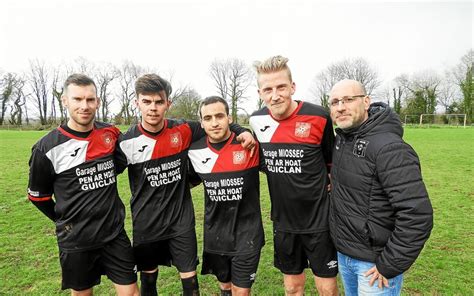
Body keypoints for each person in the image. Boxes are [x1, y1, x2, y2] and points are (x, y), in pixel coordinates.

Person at [116, 74, 255, 296]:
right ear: (137, 102)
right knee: (149, 282)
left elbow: (217, 123)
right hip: (146, 225)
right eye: (147, 101)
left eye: (159, 102)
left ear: (168, 104)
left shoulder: (184, 129)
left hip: (181, 224)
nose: (153, 108)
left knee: (190, 285)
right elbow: (104, 173)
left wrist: (242, 131)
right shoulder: (125, 142)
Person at [27, 74, 139, 296]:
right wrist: (64, 219)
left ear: (97, 102)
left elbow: (118, 164)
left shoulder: (110, 133)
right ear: (65, 101)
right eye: (77, 99)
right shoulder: (46, 148)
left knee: (132, 292)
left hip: (114, 234)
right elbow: (38, 197)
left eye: (90, 100)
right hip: (76, 239)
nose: (84, 106)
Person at [328, 79, 434, 295]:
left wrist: (389, 265)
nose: (340, 107)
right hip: (346, 256)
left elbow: (417, 214)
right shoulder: (343, 140)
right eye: (335, 102)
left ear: (366, 101)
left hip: (374, 264)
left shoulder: (390, 148)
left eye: (348, 99)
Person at [249, 56, 338, 296]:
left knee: (327, 289)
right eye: (268, 89)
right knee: (292, 288)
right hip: (284, 222)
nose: (275, 95)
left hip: (319, 220)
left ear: (292, 87)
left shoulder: (318, 117)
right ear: (260, 92)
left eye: (281, 87)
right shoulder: (257, 121)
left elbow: (333, 161)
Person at [187, 96, 264, 296]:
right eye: (208, 118)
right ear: (201, 123)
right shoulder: (194, 151)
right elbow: (189, 181)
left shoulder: (250, 145)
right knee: (225, 288)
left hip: (247, 234)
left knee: (240, 291)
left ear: (229, 118)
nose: (214, 122)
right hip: (216, 234)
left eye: (220, 116)